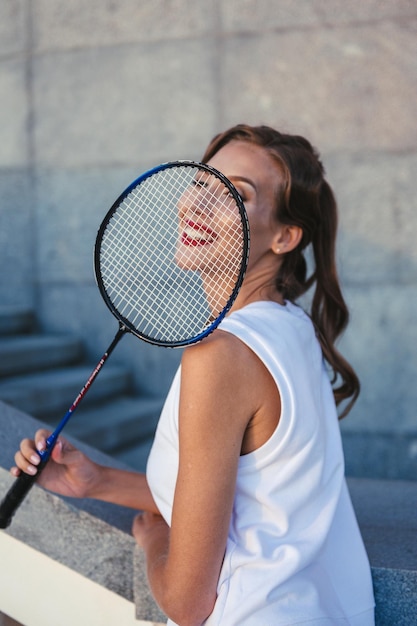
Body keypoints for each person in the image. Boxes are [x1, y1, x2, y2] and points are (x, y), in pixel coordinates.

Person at [11, 124, 375, 625]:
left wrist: (157, 536)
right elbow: (250, 498)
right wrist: (99, 482)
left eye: (235, 194)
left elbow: (186, 603)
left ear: (285, 237)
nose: (199, 203)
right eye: (203, 181)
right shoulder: (292, 326)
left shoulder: (220, 356)